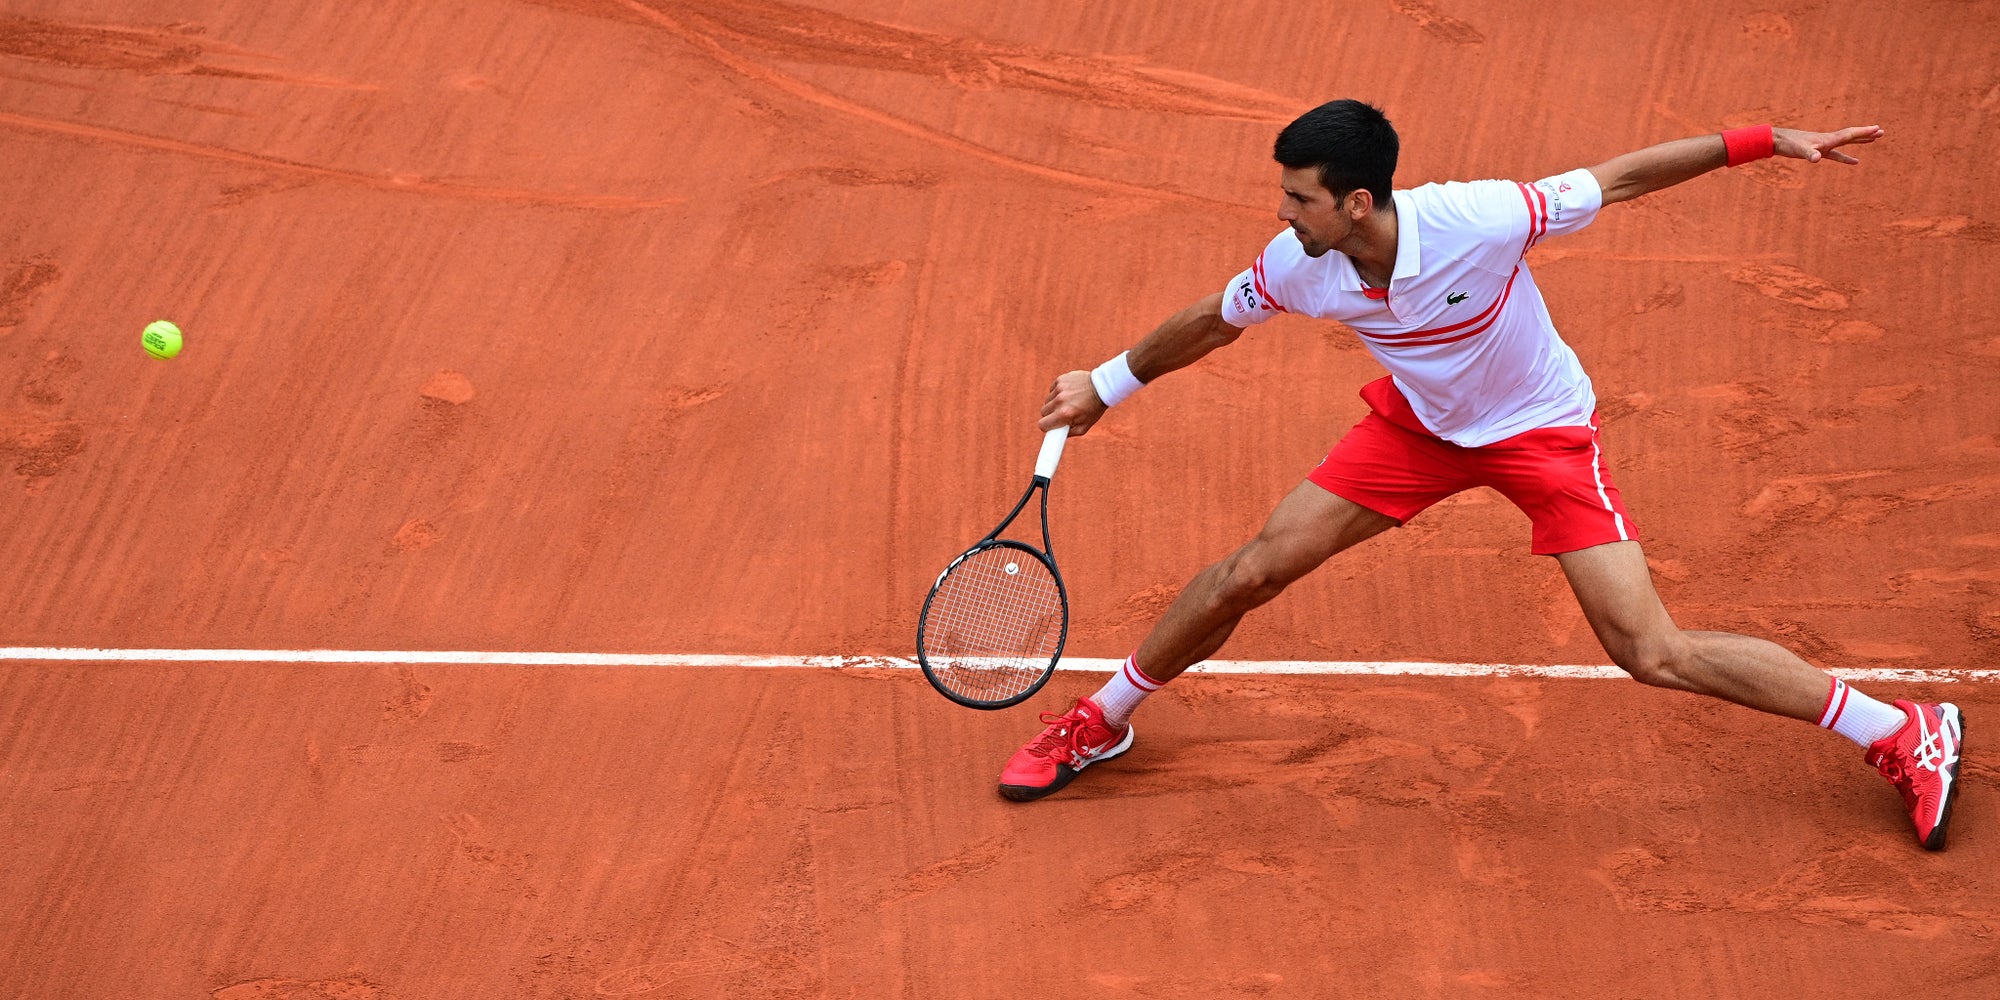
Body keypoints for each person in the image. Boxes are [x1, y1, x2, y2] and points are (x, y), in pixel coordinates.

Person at [999, 99, 1966, 851]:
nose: (1283, 213)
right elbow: (1215, 318)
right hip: (1421, 429)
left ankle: (1903, 729)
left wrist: (1769, 138)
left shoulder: (1483, 216)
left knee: (1650, 649)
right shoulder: (1301, 263)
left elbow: (1621, 179)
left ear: (1359, 202)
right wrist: (1108, 384)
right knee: (1255, 567)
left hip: (1540, 430)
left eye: (1300, 198)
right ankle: (1104, 718)